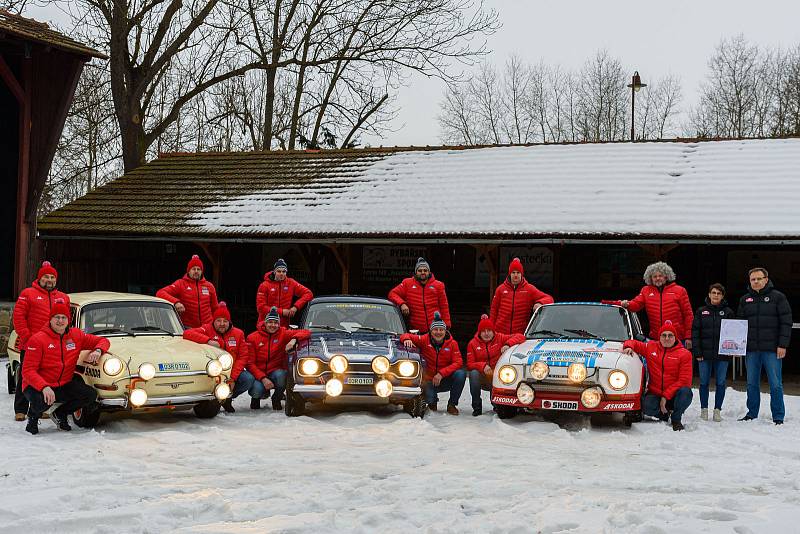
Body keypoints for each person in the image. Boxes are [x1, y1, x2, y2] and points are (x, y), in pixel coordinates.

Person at [22, 302, 110, 435]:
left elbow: (103, 340)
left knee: (90, 395)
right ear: (50, 319)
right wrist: (44, 387)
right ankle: (33, 416)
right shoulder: (38, 339)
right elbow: (27, 371)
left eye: (64, 317)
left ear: (69, 320)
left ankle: (60, 413)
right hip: (36, 385)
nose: (60, 321)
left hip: (63, 383)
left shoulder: (76, 335)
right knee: (42, 402)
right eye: (57, 317)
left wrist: (98, 350)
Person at [12, 261, 71, 421]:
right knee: (27, 376)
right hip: (31, 344)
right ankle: (21, 409)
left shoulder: (63, 297)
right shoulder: (27, 293)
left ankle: (41, 407)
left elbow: (66, 321)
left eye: (52, 277)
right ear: (40, 278)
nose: (49, 280)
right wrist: (28, 338)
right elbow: (18, 318)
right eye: (46, 276)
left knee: (46, 377)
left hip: (52, 346)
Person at [737, 267, 792, 425]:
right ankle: (752, 413)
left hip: (772, 349)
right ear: (750, 281)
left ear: (766, 279)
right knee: (751, 383)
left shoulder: (778, 297)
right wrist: (737, 346)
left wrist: (782, 344)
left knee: (775, 384)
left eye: (759, 278)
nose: (756, 281)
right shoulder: (745, 299)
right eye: (753, 279)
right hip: (751, 350)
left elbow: (786, 322)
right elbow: (739, 325)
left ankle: (778, 416)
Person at [622, 321, 693, 431]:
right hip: (655, 393)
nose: (667, 338)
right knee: (645, 405)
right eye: (664, 335)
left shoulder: (684, 354)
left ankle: (676, 418)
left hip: (674, 395)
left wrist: (665, 396)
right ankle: (664, 415)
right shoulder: (651, 347)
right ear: (659, 337)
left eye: (670, 335)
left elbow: (684, 381)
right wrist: (628, 347)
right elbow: (632, 342)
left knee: (686, 392)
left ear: (675, 337)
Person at [183, 302, 253, 413]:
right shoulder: (206, 329)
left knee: (248, 379)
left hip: (231, 370)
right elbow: (187, 333)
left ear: (229, 322)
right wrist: (208, 340)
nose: (222, 324)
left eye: (225, 321)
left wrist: (232, 379)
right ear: (213, 321)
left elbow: (243, 357)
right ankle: (212, 400)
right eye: (218, 321)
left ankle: (227, 399)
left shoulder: (238, 334)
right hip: (213, 370)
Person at [246, 307, 311, 410]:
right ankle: (256, 398)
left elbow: (306, 332)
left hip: (275, 371)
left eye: (276, 323)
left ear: (279, 324)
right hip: (259, 374)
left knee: (282, 375)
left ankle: (277, 398)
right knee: (256, 390)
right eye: (270, 322)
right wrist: (263, 379)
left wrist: (293, 340)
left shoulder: (283, 333)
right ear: (265, 323)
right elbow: (249, 363)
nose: (273, 325)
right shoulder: (252, 337)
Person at [615, 261, 693, 347]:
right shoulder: (646, 290)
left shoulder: (680, 290)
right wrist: (626, 304)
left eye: (660, 276)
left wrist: (688, 337)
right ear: (650, 278)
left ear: (666, 276)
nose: (657, 278)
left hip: (677, 338)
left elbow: (688, 315)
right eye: (654, 276)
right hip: (656, 338)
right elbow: (635, 305)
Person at [400, 312, 464, 415]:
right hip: (429, 380)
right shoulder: (424, 339)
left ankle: (452, 404)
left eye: (441, 330)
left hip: (445, 379)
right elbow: (405, 335)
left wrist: (441, 374)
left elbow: (458, 362)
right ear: (431, 330)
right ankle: (432, 401)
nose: (438, 332)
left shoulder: (452, 344)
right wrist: (406, 339)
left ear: (445, 331)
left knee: (460, 374)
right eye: (435, 329)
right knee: (431, 404)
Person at [691, 283, 735, 422]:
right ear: (709, 294)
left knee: (721, 383)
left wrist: (733, 349)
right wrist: (697, 352)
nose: (716, 295)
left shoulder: (728, 312)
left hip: (722, 355)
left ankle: (717, 410)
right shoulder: (701, 311)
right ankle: (704, 410)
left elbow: (734, 333)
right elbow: (695, 333)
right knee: (703, 382)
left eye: (719, 293)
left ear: (722, 296)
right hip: (704, 355)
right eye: (713, 292)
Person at [466, 314, 525, 416]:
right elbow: (470, 364)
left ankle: (496, 404)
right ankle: (477, 407)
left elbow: (521, 336)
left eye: (489, 330)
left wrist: (508, 344)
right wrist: (483, 366)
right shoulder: (472, 344)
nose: (486, 333)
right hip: (482, 376)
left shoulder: (500, 337)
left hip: (497, 376)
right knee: (473, 374)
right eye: (483, 331)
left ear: (493, 331)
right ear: (479, 333)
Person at [490, 257, 553, 335]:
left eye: (518, 272)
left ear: (522, 274)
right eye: (513, 272)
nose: (515, 275)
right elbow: (494, 310)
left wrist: (540, 303)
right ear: (509, 274)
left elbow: (549, 298)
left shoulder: (529, 289)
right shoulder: (500, 289)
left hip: (519, 335)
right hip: (500, 334)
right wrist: (491, 330)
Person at [389, 257, 451, 333]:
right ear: (416, 272)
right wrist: (402, 304)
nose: (422, 272)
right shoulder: (407, 283)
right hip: (415, 330)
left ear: (429, 272)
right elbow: (392, 294)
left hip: (435, 329)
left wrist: (447, 326)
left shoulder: (438, 285)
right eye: (420, 270)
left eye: (425, 270)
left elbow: (444, 306)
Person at [157, 254, 219, 328]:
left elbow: (215, 308)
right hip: (188, 327)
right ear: (188, 271)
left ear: (202, 271)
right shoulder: (180, 283)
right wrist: (176, 302)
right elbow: (160, 293)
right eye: (193, 269)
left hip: (208, 327)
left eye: (198, 269)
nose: (196, 271)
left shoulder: (210, 286)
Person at [255, 258, 313, 327]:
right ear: (274, 272)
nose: (281, 274)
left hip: (283, 325)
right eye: (279, 271)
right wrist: (282, 312)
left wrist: (295, 307)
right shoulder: (264, 285)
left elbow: (308, 293)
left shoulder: (291, 283)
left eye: (284, 271)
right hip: (265, 325)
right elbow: (260, 308)